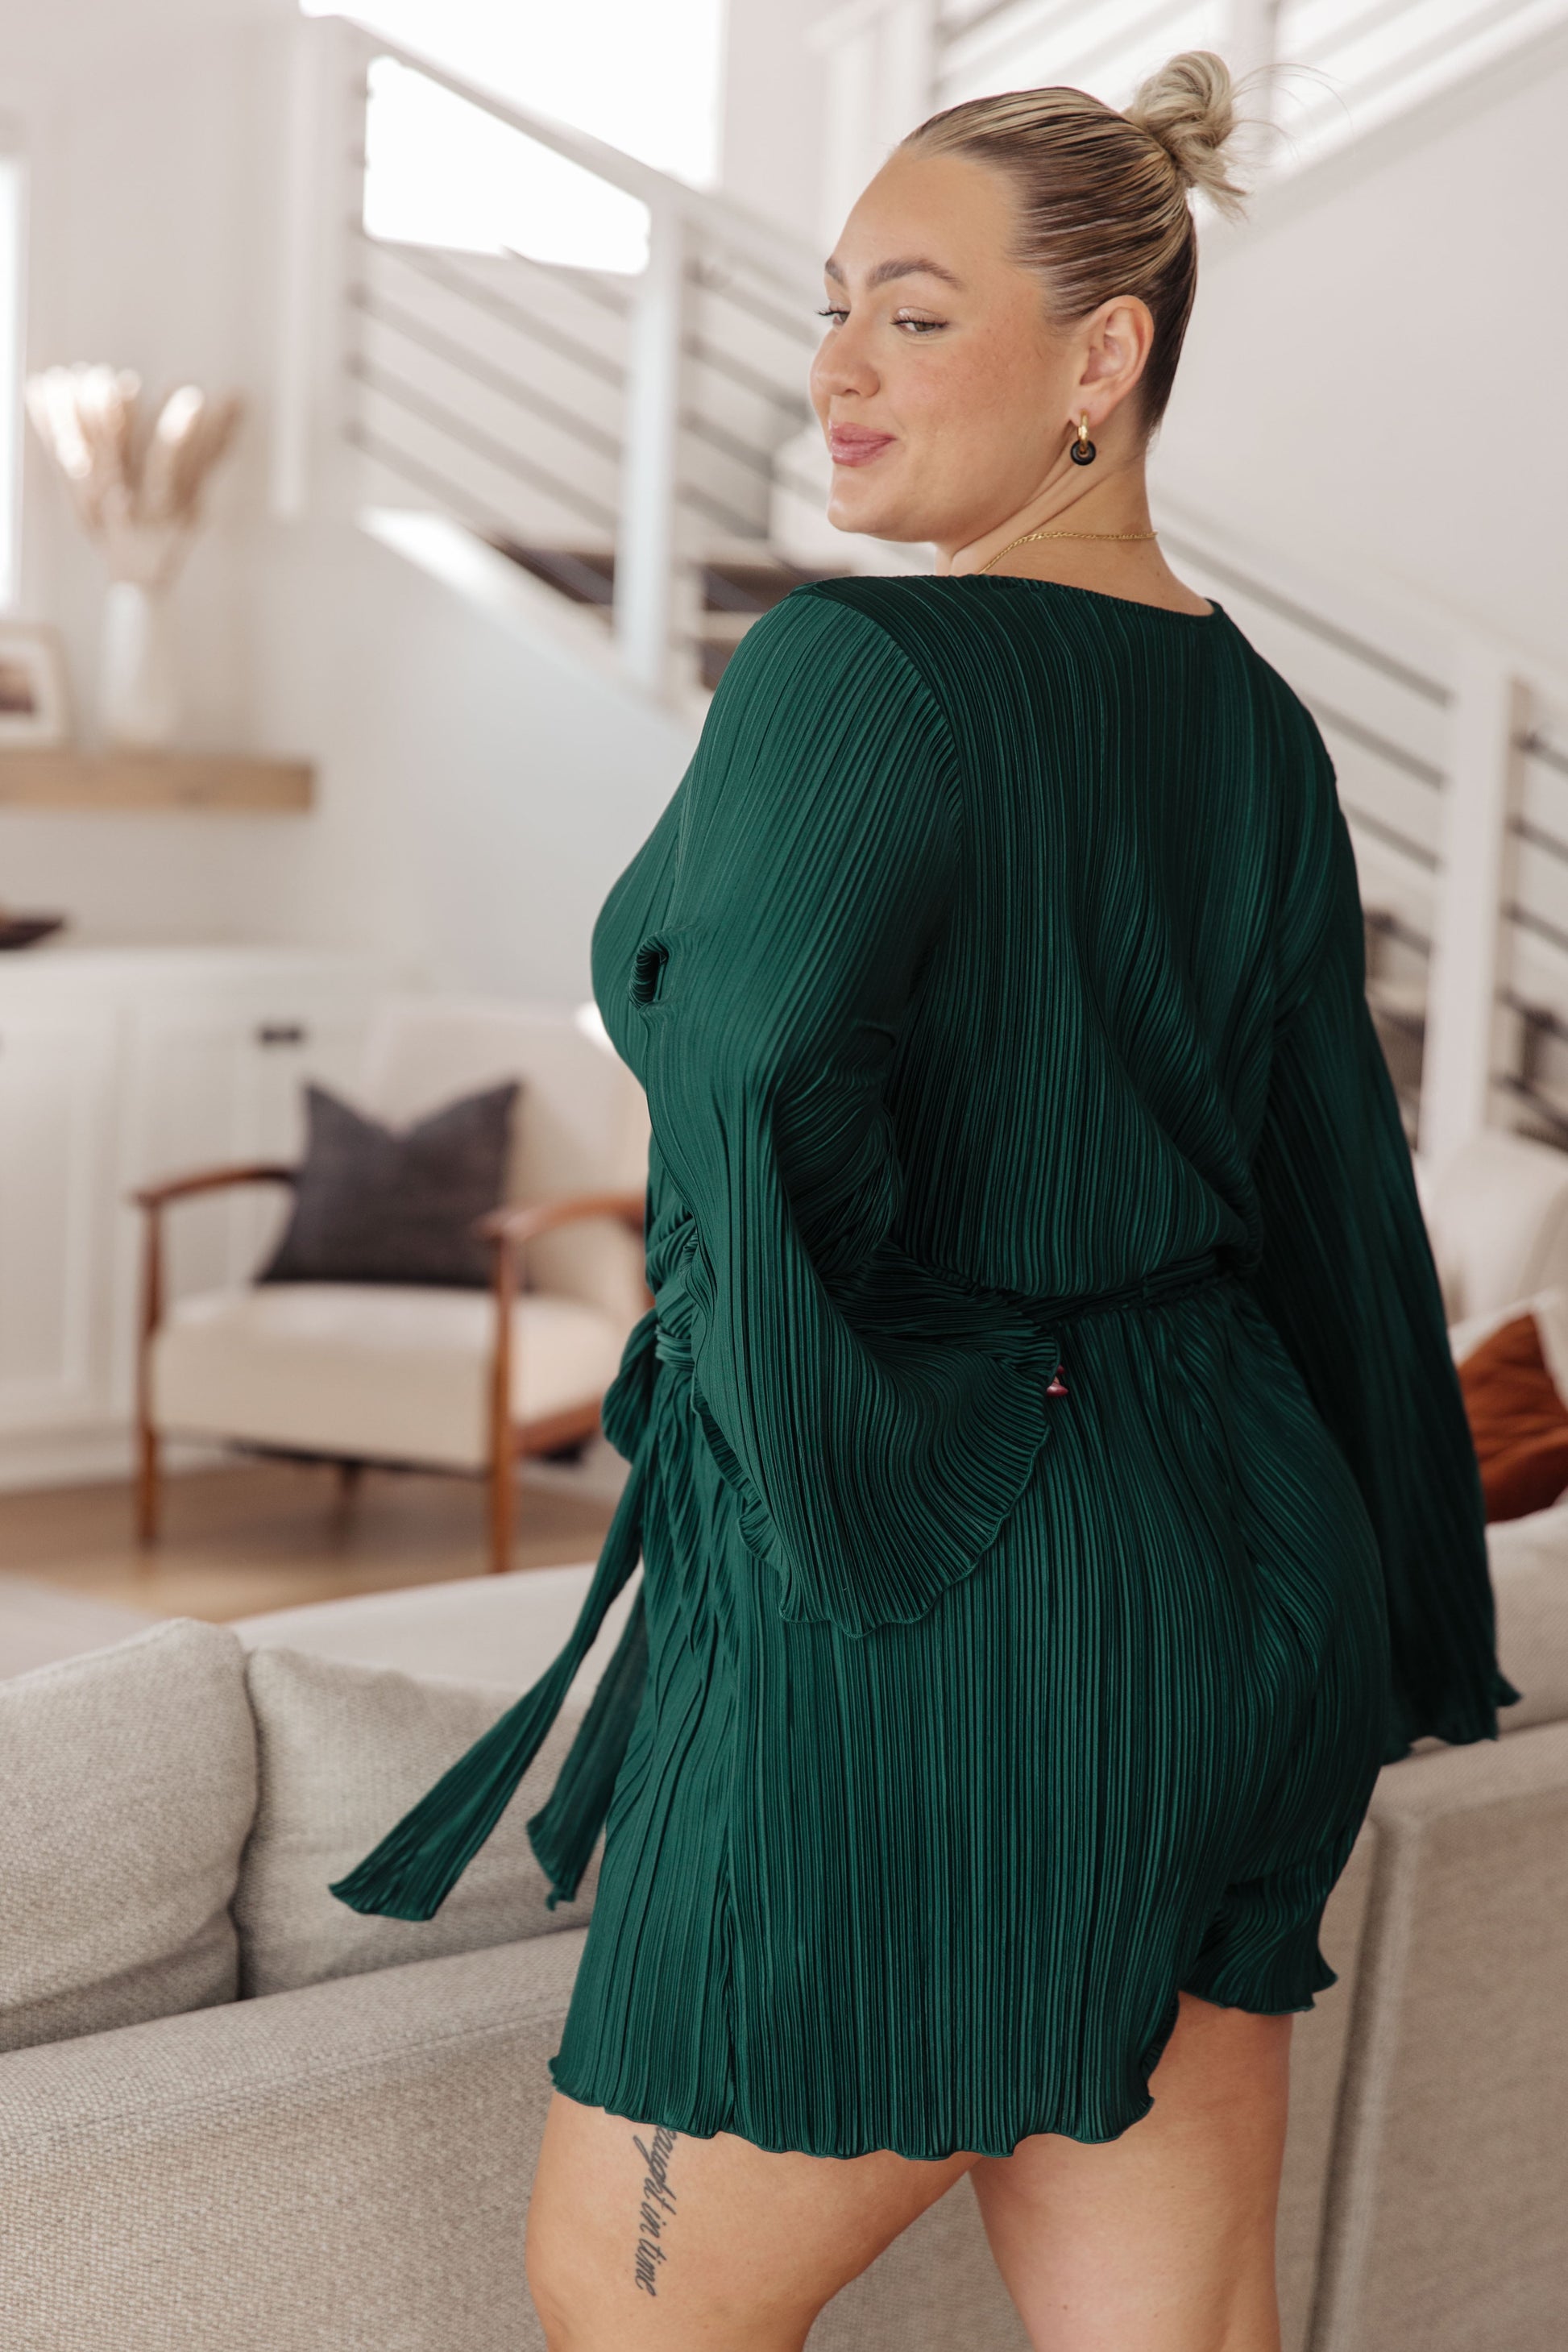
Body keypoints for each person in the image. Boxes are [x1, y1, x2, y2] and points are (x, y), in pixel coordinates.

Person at [331, 49, 1514, 2352]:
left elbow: (757, 1094)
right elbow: (1331, 1189)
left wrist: (837, 1504)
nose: (837, 370)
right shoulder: (1257, 722)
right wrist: (1393, 1607)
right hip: (1227, 1586)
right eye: (830, 308)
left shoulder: (855, 665)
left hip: (932, 1597)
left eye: (912, 312)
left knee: (633, 2306)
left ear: (1102, 355)